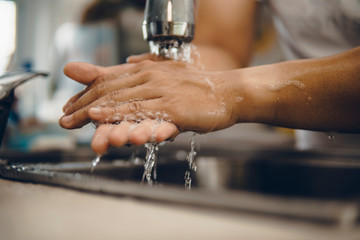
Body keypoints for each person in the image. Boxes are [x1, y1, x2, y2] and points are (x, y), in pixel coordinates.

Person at [59, 0, 360, 154]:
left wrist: (230, 91)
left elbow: (226, 85)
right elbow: (221, 47)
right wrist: (173, 72)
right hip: (321, 161)